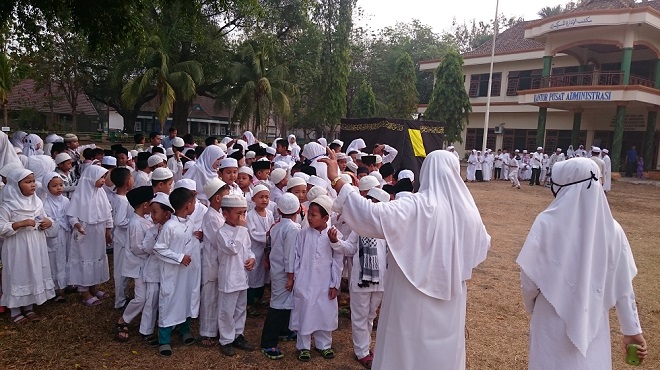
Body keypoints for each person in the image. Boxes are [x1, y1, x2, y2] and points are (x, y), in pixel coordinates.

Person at [319, 150, 490, 370]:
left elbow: (372, 215)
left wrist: (337, 180)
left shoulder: (417, 206)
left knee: (407, 344)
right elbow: (482, 245)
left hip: (411, 292)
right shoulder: (468, 212)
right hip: (451, 294)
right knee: (442, 347)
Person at [517, 158, 647, 369]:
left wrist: (531, 304)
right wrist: (632, 331)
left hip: (550, 315)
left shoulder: (546, 223)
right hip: (593, 316)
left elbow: (529, 278)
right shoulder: (613, 230)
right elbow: (624, 288)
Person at [331, 187, 390, 369]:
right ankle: (362, 352)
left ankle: (366, 346)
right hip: (361, 280)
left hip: (380, 280)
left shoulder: (387, 228)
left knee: (370, 315)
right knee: (359, 316)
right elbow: (349, 248)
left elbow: (390, 254)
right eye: (371, 203)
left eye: (377, 205)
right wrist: (335, 242)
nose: (373, 207)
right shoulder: (359, 228)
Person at [290, 195, 343, 362]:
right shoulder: (303, 233)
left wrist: (335, 283)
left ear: (325, 218)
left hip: (325, 281)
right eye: (309, 214)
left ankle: (324, 345)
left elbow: (338, 261)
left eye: (314, 215)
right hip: (306, 280)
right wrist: (297, 277)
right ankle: (303, 346)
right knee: (305, 311)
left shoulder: (334, 234)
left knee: (324, 312)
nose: (309, 218)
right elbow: (297, 257)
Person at [0, 169, 55, 323]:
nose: (33, 185)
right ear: (16, 186)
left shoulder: (37, 202)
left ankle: (29, 306)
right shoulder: (7, 206)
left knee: (33, 271)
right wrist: (20, 224)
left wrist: (48, 222)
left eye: (33, 181)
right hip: (17, 246)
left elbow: (44, 218)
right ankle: (15, 310)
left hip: (36, 243)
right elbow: (1, 227)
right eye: (28, 182)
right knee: (18, 272)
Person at [154, 187, 201, 356]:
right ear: (188, 205)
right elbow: (158, 249)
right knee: (170, 302)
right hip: (173, 273)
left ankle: (184, 330)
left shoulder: (189, 223)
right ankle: (164, 340)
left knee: (186, 298)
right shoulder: (170, 226)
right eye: (194, 202)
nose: (195, 205)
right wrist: (179, 257)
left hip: (187, 273)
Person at [260, 193, 301, 360]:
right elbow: (290, 256)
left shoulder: (276, 226)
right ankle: (268, 342)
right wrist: (291, 277)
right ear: (298, 209)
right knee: (277, 306)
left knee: (285, 304)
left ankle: (284, 331)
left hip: (277, 270)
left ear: (278, 210)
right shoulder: (292, 228)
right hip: (284, 272)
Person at [67, 166, 113, 306]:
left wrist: (108, 231)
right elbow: (72, 215)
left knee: (96, 257)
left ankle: (93, 286)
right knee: (84, 258)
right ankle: (84, 290)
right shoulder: (79, 195)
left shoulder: (101, 193)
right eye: (101, 178)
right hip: (84, 233)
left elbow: (107, 213)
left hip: (98, 232)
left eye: (104, 178)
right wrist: (78, 225)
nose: (103, 181)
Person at [217, 194, 257, 356]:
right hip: (228, 278)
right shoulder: (222, 233)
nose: (242, 217)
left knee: (241, 308)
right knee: (227, 310)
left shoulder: (242, 231)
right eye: (238, 213)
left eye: (244, 213)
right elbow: (232, 248)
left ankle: (237, 335)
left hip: (242, 276)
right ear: (225, 214)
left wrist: (252, 259)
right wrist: (241, 228)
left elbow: (247, 249)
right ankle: (226, 339)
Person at [113, 185, 154, 342]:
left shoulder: (144, 219)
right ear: (145, 205)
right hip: (139, 265)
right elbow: (137, 248)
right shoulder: (136, 224)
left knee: (147, 295)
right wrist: (155, 249)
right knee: (140, 298)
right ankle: (123, 320)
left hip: (145, 264)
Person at [198, 178, 230, 347]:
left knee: (217, 297)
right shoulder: (211, 217)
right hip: (212, 262)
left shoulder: (218, 215)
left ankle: (215, 329)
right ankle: (206, 332)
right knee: (209, 298)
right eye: (226, 194)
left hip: (220, 262)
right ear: (218, 198)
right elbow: (218, 240)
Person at [246, 185, 274, 317]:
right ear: (253, 199)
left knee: (263, 275)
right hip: (255, 251)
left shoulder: (269, 214)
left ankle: (259, 298)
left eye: (267, 197)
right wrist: (268, 237)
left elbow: (272, 229)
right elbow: (253, 233)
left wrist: (271, 237)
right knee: (253, 276)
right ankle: (250, 303)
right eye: (261, 197)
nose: (264, 200)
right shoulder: (250, 215)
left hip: (266, 251)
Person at [41, 172, 70, 302]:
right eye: (54, 186)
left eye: (61, 185)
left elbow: (69, 215)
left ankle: (67, 284)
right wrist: (54, 223)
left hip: (65, 233)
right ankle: (56, 289)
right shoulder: (44, 203)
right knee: (54, 260)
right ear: (47, 187)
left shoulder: (65, 200)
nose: (59, 188)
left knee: (66, 257)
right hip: (53, 235)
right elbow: (45, 219)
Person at [110, 168, 134, 310]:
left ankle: (123, 296)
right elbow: (119, 221)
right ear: (127, 182)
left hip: (123, 238)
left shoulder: (121, 198)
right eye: (131, 177)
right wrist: (136, 222)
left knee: (123, 269)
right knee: (120, 271)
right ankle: (120, 301)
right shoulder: (122, 200)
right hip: (121, 238)